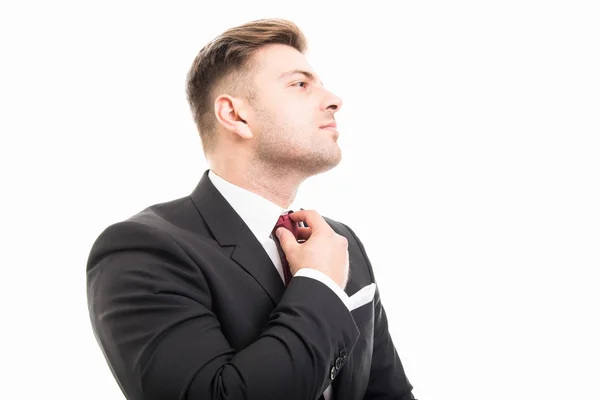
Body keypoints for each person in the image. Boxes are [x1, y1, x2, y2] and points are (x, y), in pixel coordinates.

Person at [86, 18, 416, 400]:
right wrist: (320, 284)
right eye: (300, 84)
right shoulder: (141, 249)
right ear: (235, 116)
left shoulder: (340, 242)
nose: (333, 99)